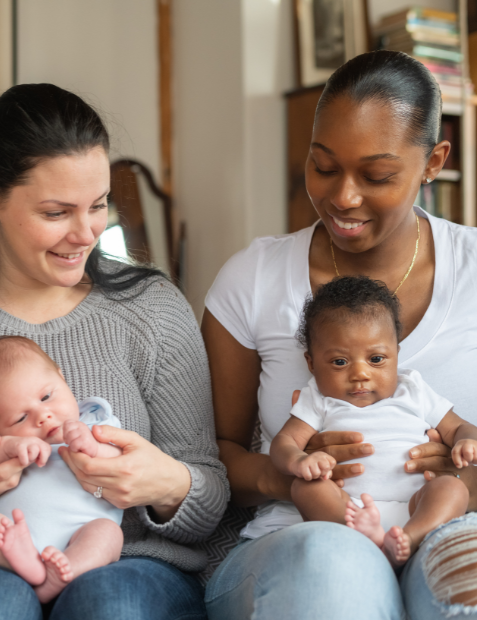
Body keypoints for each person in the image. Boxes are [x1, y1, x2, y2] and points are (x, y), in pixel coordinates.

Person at [0, 82, 228, 620]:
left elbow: (211, 495)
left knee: (111, 605)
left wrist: (166, 483)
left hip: (128, 564)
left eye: (98, 205)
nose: (86, 233)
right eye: (56, 212)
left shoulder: (151, 307)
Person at [202, 49, 477, 620]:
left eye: (376, 176)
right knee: (338, 571)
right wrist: (290, 475)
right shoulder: (252, 279)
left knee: (467, 580)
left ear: (434, 162)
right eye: (323, 167)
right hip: (300, 540)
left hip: (446, 521)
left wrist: (463, 473)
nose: (343, 197)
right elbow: (207, 457)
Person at [269, 276, 475, 567]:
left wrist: (467, 441)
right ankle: (362, 540)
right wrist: (298, 462)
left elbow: (458, 427)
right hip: (348, 508)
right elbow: (285, 442)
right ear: (312, 363)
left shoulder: (413, 389)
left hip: (416, 503)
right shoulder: (317, 398)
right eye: (340, 362)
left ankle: (409, 539)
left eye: (376, 359)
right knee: (304, 487)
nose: (360, 374)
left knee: (453, 488)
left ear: (397, 354)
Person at [0, 336, 124, 603]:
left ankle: (69, 570)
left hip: (83, 528)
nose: (43, 416)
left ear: (62, 377)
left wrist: (92, 446)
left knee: (108, 534)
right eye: (20, 418)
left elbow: (122, 461)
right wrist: (10, 448)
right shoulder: (0, 441)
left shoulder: (96, 422)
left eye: (47, 397)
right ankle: (28, 565)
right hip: (16, 533)